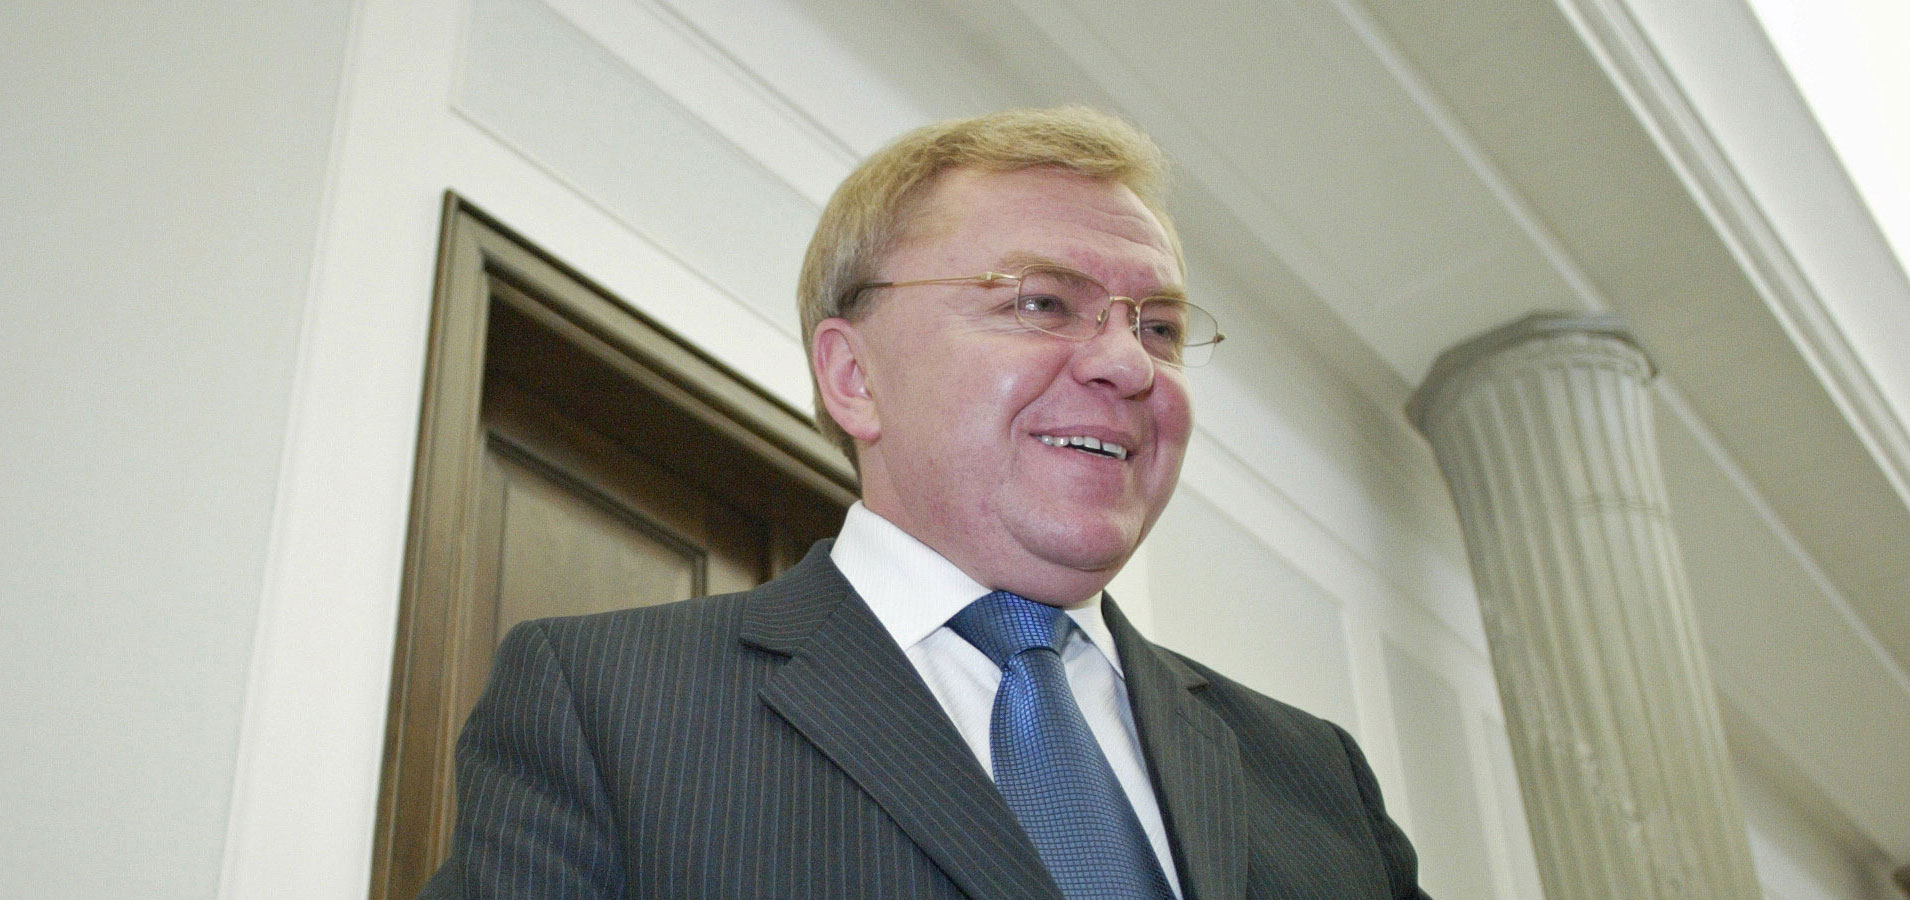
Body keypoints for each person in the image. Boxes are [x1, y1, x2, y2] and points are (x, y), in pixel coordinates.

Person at [420, 107, 1429, 899]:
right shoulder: (608, 706)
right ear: (853, 376)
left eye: (1159, 327)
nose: (1129, 364)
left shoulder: (1316, 778)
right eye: (1041, 303)